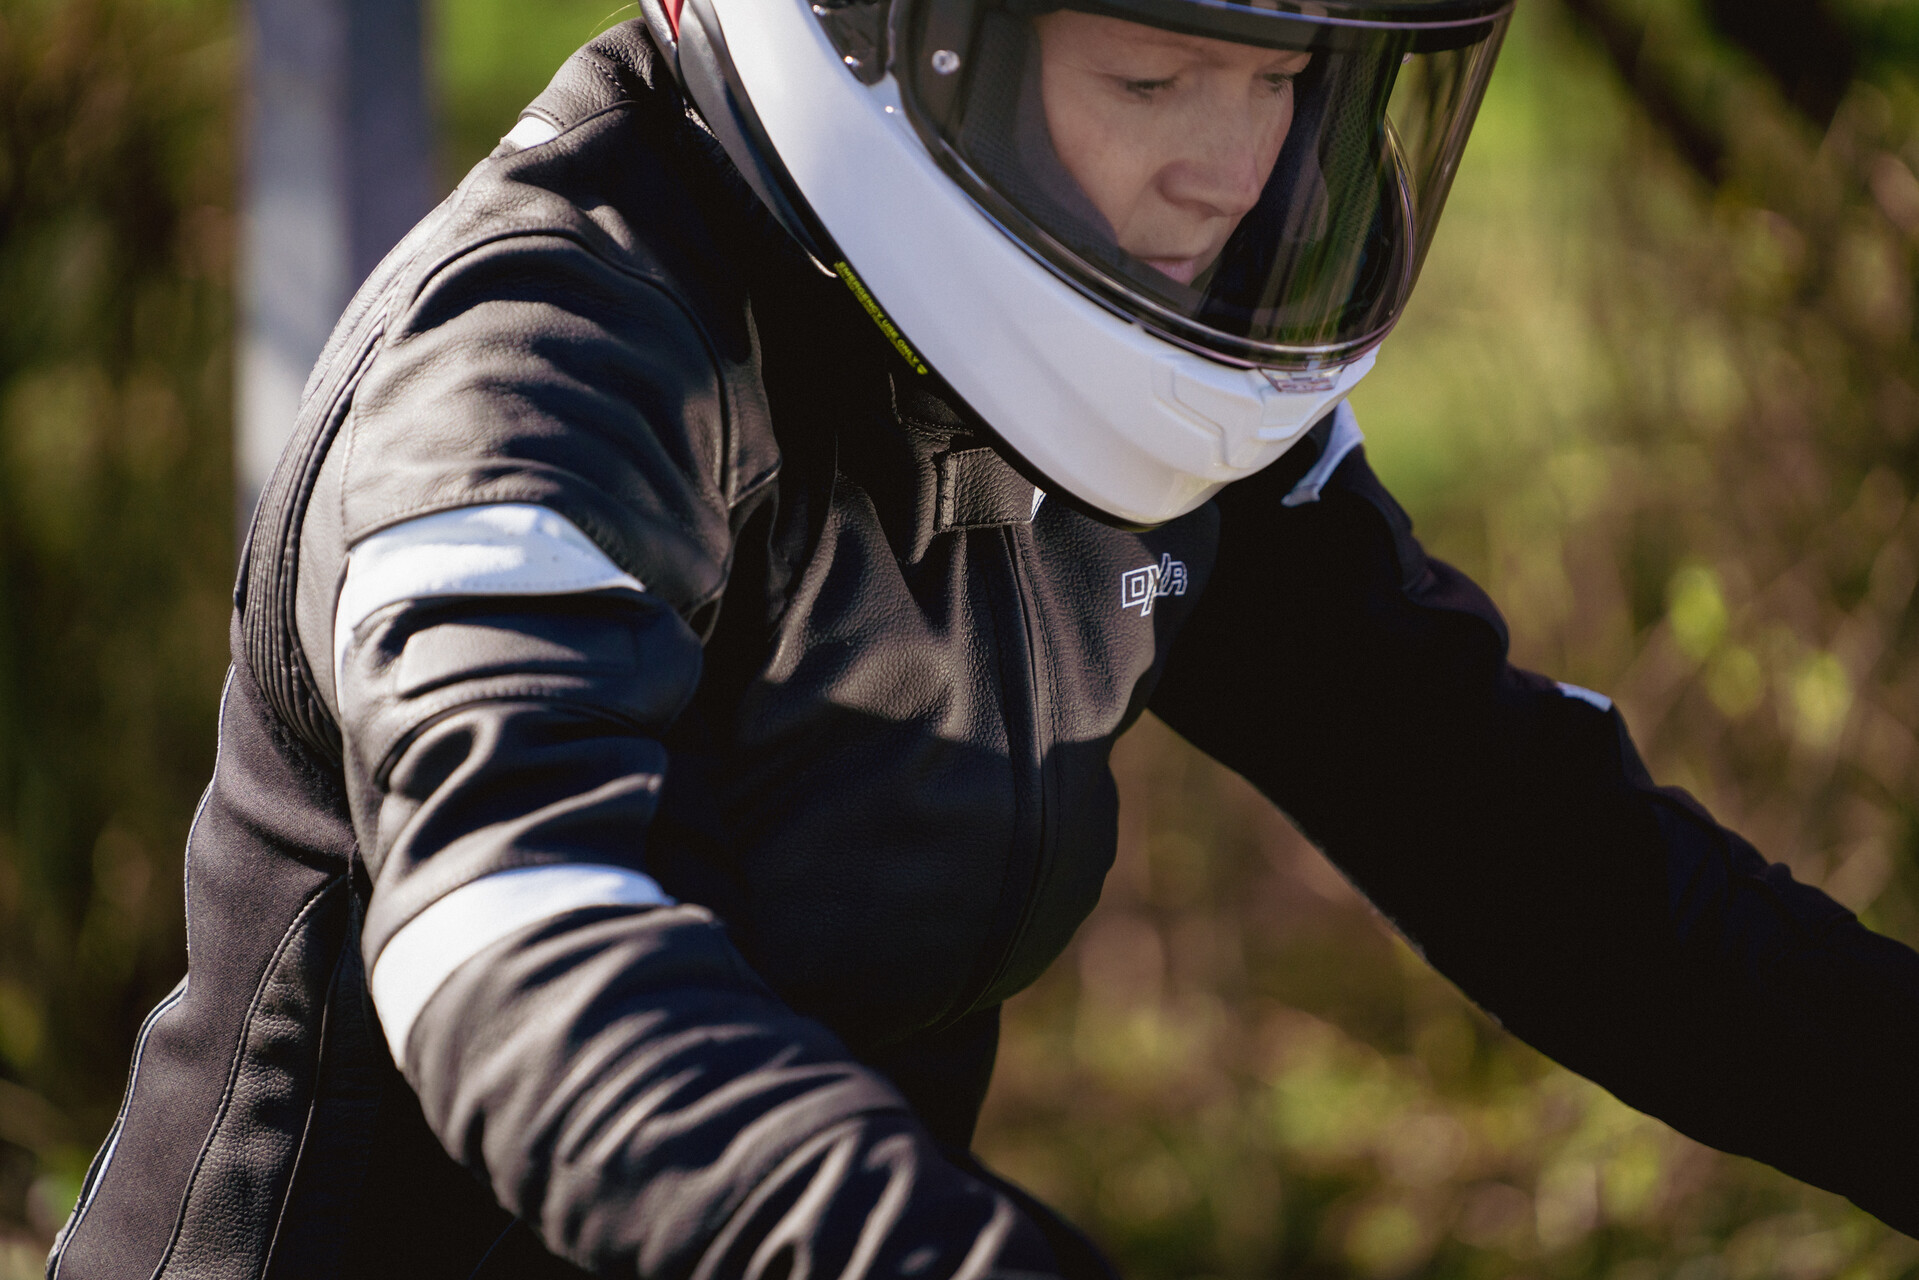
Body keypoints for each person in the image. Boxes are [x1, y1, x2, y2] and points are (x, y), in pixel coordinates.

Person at [48, 0, 1919, 1275]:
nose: (1236, 174)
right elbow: (529, 952)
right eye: (1156, 79)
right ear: (899, 33)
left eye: (1292, 89)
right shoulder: (544, 358)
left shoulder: (1145, 372)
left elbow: (1535, 847)